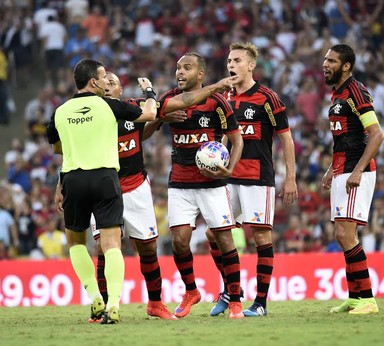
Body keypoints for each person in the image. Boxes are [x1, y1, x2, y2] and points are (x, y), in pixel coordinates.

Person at [89, 71, 238, 321]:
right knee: (104, 248)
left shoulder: (133, 109)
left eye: (112, 83)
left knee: (148, 247)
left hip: (136, 186)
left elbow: (148, 127)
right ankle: (102, 307)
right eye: (105, 82)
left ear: (120, 90)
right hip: (104, 188)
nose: (107, 86)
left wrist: (159, 116)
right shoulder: (91, 115)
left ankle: (156, 304)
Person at [47, 58, 158, 324]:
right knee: (110, 244)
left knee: (76, 243)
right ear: (93, 81)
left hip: (73, 179)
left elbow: (57, 149)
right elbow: (151, 114)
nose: (106, 82)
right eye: (103, 77)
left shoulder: (59, 112)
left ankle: (95, 296)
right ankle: (113, 304)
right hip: (106, 179)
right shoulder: (108, 105)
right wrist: (151, 94)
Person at [206, 42, 298, 317]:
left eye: (236, 60)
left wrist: (290, 177)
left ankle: (260, 303)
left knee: (260, 237)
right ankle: (231, 289)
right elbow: (225, 136)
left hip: (258, 177)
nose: (231, 65)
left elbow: (286, 138)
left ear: (251, 65)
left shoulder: (268, 98)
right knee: (213, 233)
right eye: (229, 61)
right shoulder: (225, 98)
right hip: (228, 177)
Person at [153, 52, 245, 319]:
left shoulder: (217, 102)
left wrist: (230, 168)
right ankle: (191, 290)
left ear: (200, 74)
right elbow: (148, 128)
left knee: (225, 239)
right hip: (180, 183)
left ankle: (236, 299)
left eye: (187, 68)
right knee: (180, 242)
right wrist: (163, 118)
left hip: (212, 185)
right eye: (178, 68)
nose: (180, 72)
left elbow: (236, 140)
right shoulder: (169, 100)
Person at [321, 44, 384, 315]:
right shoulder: (338, 94)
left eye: (332, 61)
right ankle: (355, 297)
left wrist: (357, 170)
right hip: (342, 169)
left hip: (356, 172)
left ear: (346, 66)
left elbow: (377, 134)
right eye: (325, 59)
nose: (325, 64)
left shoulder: (356, 92)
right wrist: (330, 168)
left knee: (345, 234)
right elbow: (346, 137)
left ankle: (368, 299)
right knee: (344, 234)